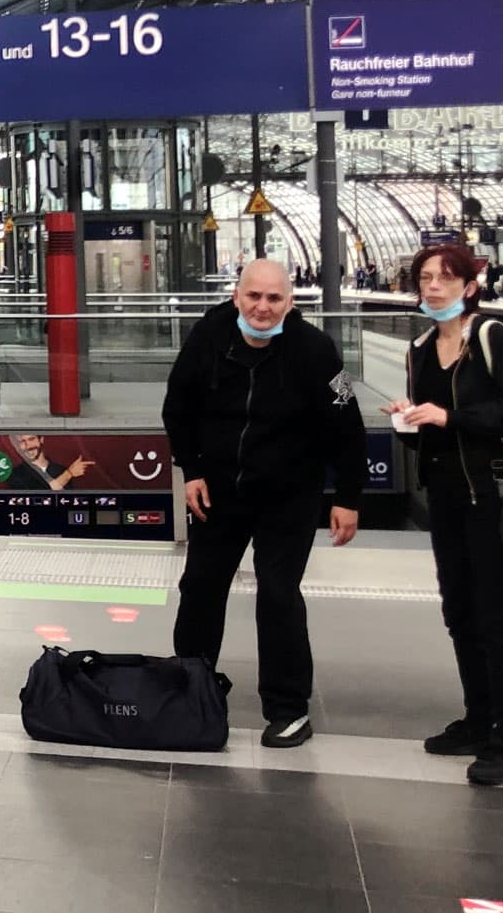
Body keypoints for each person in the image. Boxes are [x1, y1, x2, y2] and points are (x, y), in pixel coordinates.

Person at [162, 260, 365, 748]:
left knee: (278, 594)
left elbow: (347, 427)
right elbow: (178, 406)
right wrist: (192, 471)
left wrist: (349, 497)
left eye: (274, 298)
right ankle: (192, 690)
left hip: (290, 494)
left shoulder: (315, 351)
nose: (262, 307)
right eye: (253, 296)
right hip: (220, 491)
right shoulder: (208, 337)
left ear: (290, 303)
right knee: (201, 588)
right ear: (237, 297)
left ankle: (288, 707)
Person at [389, 240, 503, 788]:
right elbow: (428, 434)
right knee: (460, 612)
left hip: (493, 499)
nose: (432, 286)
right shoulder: (421, 351)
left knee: (498, 617)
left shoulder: (489, 338)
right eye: (425, 277)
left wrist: (451, 417)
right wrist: (410, 421)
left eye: (444, 277)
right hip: (447, 501)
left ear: (469, 286)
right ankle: (479, 721)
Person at [7, 434, 90, 491]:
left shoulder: (60, 470)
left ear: (41, 440)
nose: (27, 446)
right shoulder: (15, 474)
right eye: (22, 441)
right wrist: (69, 474)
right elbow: (41, 496)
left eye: (31, 439)